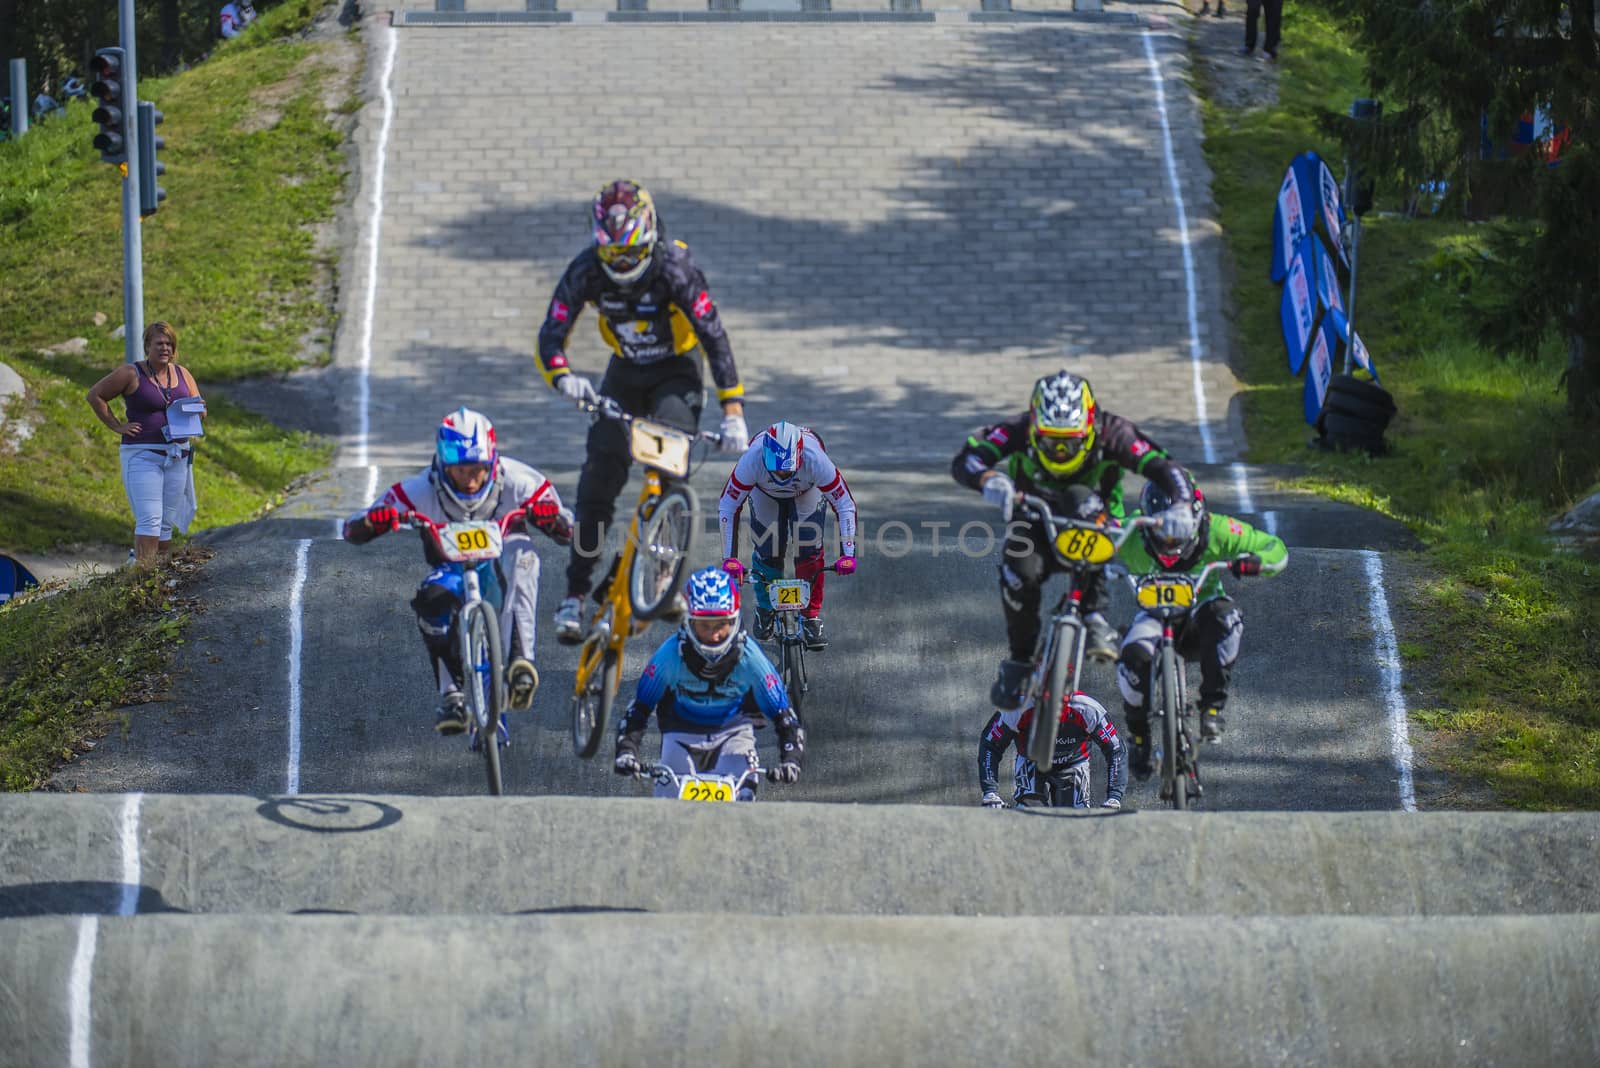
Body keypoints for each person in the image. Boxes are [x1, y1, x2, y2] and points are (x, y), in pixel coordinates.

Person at [537, 180, 749, 643]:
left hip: (677, 373)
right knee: (597, 483)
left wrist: (733, 412)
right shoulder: (587, 270)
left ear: (650, 236)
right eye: (614, 257)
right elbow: (550, 334)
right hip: (624, 376)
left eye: (632, 254)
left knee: (667, 466)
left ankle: (662, 572)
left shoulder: (676, 267)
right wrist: (563, 376)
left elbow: (715, 337)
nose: (624, 265)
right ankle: (574, 594)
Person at [952, 369, 1200, 707]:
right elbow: (967, 457)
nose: (1059, 452)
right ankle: (1020, 661)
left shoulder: (1116, 432)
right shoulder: (1014, 429)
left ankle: (1094, 612)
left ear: (1090, 429)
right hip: (1033, 515)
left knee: (1081, 501)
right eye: (1050, 441)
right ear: (1034, 428)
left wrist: (1182, 505)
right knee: (1017, 575)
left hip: (1093, 517)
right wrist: (986, 478)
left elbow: (1163, 465)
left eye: (1069, 442)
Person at [342, 408, 573, 734]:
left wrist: (551, 517)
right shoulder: (419, 489)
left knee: (524, 556)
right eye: (460, 471)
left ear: (492, 462)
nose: (470, 480)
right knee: (430, 601)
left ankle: (522, 663)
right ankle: (451, 695)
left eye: (477, 469)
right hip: (450, 570)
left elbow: (569, 531)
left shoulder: (521, 480)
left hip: (501, 563)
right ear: (442, 466)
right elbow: (352, 530)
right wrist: (373, 521)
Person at [1114, 476, 1287, 778]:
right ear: (1145, 522)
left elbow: (1276, 549)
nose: (1170, 546)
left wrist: (1255, 562)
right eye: (1161, 535)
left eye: (1178, 536)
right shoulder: (1129, 530)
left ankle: (1212, 708)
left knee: (1228, 617)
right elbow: (1088, 544)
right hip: (1153, 616)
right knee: (1131, 657)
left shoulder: (1219, 528)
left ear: (1198, 521)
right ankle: (1139, 738)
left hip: (1200, 616)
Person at [614, 566, 805, 800]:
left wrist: (791, 759)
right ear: (689, 621)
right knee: (667, 805)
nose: (714, 635)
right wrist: (627, 751)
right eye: (705, 625)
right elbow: (639, 709)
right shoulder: (670, 655)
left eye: (721, 624)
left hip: (734, 735)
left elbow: (784, 716)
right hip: (681, 734)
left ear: (734, 620)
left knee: (742, 801)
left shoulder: (751, 658)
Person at [717, 421, 858, 650]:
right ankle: (765, 607)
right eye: (776, 469)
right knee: (768, 550)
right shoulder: (751, 460)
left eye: (787, 469)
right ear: (764, 456)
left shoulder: (816, 460)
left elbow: (844, 504)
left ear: (800, 456)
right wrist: (729, 558)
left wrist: (848, 553)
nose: (782, 474)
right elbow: (728, 506)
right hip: (764, 493)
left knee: (809, 549)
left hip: (806, 491)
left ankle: (810, 615)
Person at [86, 321, 202, 568]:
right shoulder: (131, 373)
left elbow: (200, 407)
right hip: (142, 454)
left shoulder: (182, 374)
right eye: (159, 343)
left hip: (177, 455)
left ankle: (157, 576)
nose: (165, 348)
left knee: (165, 523)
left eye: (169, 344)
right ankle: (141, 575)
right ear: (147, 345)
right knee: (149, 519)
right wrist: (117, 426)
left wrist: (193, 414)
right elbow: (95, 395)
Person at [979, 689, 1126, 810]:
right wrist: (990, 792)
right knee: (1029, 812)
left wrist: (1114, 797)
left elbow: (1116, 749)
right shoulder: (1018, 707)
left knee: (1075, 818)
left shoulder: (1088, 708)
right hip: (1032, 761)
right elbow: (990, 745)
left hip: (1073, 764)